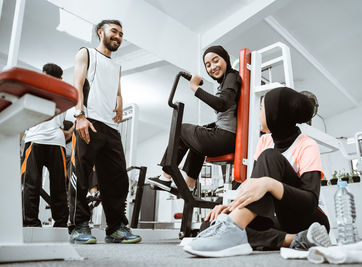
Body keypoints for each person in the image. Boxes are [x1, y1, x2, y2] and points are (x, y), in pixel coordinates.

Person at [183, 87, 331, 257]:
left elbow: (309, 201)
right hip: (278, 219)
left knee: (270, 157)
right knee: (212, 223)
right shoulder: (264, 140)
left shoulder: (307, 145)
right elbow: (252, 187)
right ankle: (295, 239)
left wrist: (270, 184)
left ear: (276, 114)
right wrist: (230, 205)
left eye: (261, 109)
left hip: (309, 219)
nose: (258, 114)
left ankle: (234, 228)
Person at [68, 19, 141, 244]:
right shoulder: (86, 53)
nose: (118, 36)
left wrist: (120, 102)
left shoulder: (117, 66)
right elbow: (77, 85)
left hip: (111, 128)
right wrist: (79, 115)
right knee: (81, 175)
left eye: (121, 33)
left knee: (117, 180)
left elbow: (117, 91)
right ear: (101, 32)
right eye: (113, 31)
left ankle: (116, 228)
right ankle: (79, 226)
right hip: (88, 121)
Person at [148, 45, 242, 191]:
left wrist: (195, 88)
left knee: (182, 128)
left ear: (225, 59)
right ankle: (189, 184)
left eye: (216, 60)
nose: (213, 67)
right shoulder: (226, 82)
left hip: (226, 138)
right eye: (208, 65)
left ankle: (166, 177)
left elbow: (222, 104)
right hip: (228, 138)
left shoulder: (231, 76)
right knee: (195, 138)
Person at [20, 63, 69, 227]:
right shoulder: (65, 92)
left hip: (35, 139)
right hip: (56, 141)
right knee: (59, 185)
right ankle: (61, 223)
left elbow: (23, 118)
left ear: (43, 74)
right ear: (60, 78)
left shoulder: (33, 90)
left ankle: (30, 223)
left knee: (31, 185)